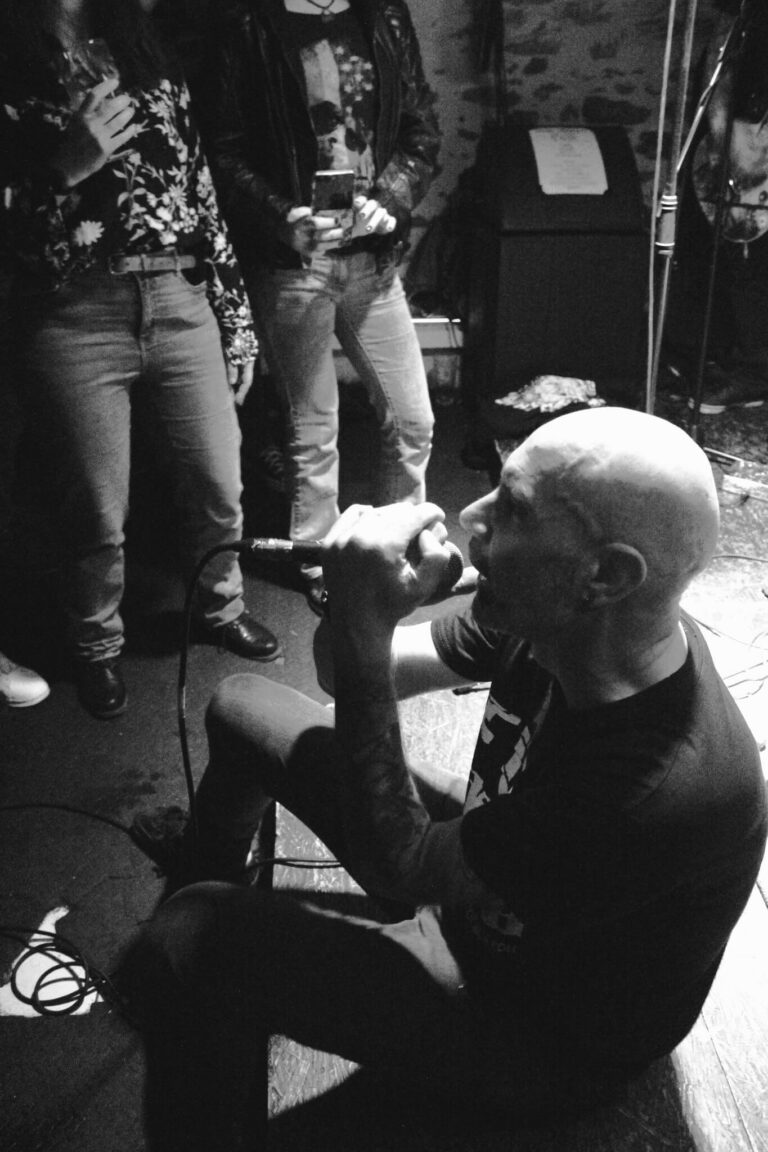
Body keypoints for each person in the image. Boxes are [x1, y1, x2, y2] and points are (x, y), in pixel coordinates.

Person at [125, 406, 767, 1149]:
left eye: (513, 508)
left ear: (607, 574)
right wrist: (354, 604)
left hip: (537, 1026)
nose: (472, 515)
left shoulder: (657, 793)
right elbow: (345, 672)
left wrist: (364, 623)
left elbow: (398, 862)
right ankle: (207, 867)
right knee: (240, 705)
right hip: (508, 867)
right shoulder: (567, 618)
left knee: (189, 937)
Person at [0, 0, 281, 720]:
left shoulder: (141, 46)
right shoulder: (13, 65)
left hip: (180, 292)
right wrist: (62, 168)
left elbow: (201, 191)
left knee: (218, 479)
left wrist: (236, 319)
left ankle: (222, 606)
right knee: (95, 508)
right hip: (72, 309)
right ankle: (95, 644)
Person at [195, 0, 439, 614]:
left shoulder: (382, 14)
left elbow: (421, 133)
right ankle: (320, 561)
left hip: (372, 263)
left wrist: (390, 199)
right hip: (294, 265)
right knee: (313, 429)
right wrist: (281, 217)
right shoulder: (248, 21)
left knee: (413, 419)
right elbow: (221, 152)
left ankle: (401, 546)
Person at [664, 0, 768, 413]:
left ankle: (753, 371)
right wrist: (720, 130)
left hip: (755, 137)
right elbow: (724, 43)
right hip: (734, 128)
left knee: (750, 261)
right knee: (709, 249)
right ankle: (714, 357)